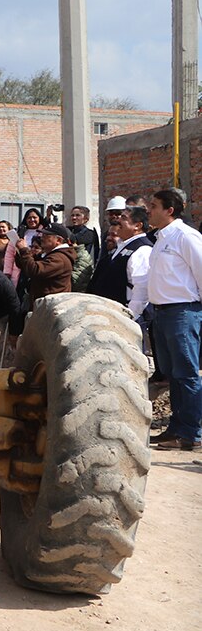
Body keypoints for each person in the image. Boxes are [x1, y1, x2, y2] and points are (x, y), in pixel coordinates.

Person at [145, 189, 202, 451]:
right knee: (173, 375)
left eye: (154, 206)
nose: (149, 211)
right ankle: (177, 429)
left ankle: (193, 432)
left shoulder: (185, 237)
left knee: (187, 373)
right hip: (163, 313)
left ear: (170, 210)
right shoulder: (161, 239)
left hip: (182, 312)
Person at [89, 205, 151, 318]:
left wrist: (131, 316)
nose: (119, 220)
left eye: (124, 218)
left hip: (126, 317)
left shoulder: (142, 250)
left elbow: (142, 288)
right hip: (112, 314)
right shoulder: (122, 246)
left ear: (137, 225)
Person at [14, 222, 75, 303]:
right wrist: (20, 250)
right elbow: (25, 266)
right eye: (42, 235)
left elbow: (35, 271)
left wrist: (24, 250)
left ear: (59, 240)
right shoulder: (48, 254)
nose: (42, 238)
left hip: (51, 307)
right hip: (43, 305)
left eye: (46, 236)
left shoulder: (59, 258)